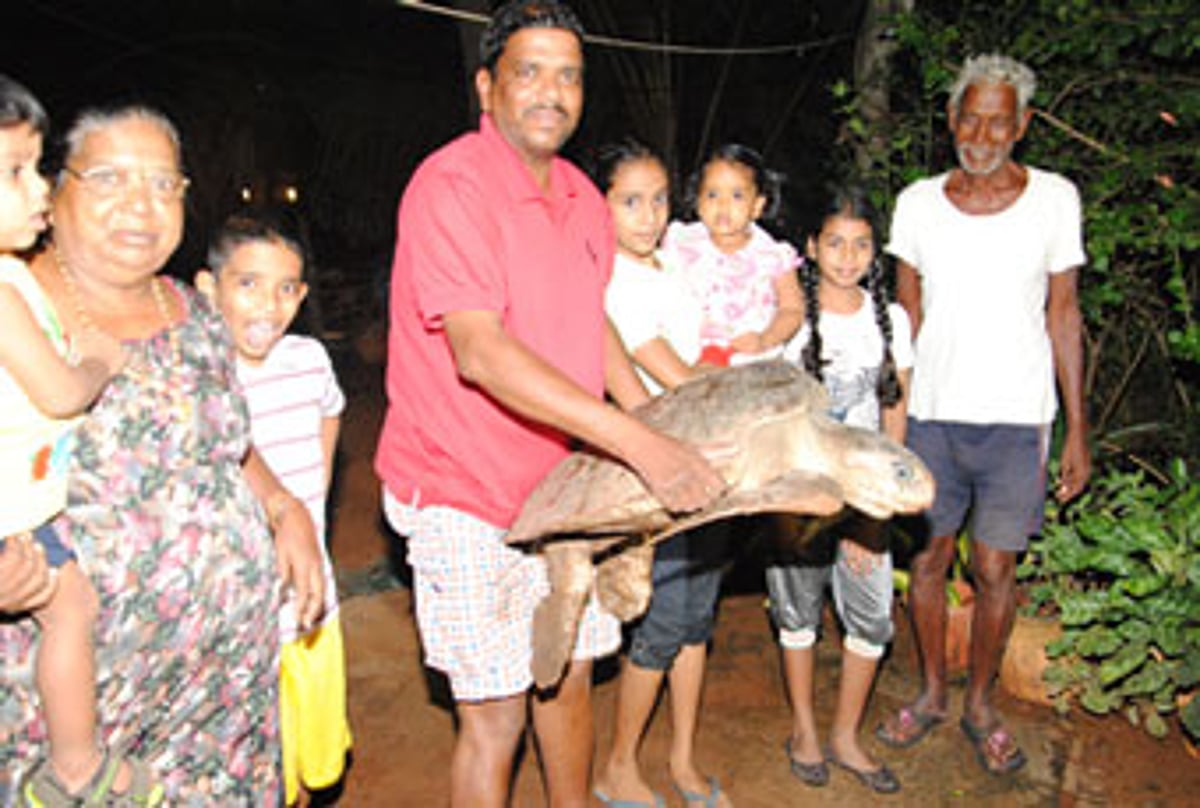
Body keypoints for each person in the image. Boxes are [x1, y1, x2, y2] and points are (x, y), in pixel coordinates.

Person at [373, 3, 725, 806]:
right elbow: (480, 352)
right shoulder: (452, 186)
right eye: (528, 71)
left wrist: (652, 425)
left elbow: (590, 320)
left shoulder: (581, 196)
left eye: (568, 75)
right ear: (486, 86)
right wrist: (637, 445)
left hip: (560, 485)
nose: (551, 91)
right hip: (461, 486)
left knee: (567, 675)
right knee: (495, 715)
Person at [0, 104, 326, 805]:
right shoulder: (15, 307)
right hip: (88, 707)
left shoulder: (193, 308)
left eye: (161, 184)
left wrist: (283, 506)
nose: (140, 205)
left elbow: (222, 441)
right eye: (110, 179)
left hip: (224, 697)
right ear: (54, 189)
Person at [874, 54, 1090, 775]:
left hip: (1018, 417)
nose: (982, 135)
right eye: (970, 118)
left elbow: (1065, 315)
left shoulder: (1055, 199)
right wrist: (890, 419)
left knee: (996, 567)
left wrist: (1077, 431)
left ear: (1022, 125)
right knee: (928, 558)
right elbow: (905, 315)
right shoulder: (917, 203)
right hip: (932, 413)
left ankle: (981, 704)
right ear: (951, 119)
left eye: (999, 122)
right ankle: (934, 693)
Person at [0, 75, 162, 807]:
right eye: (14, 172)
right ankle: (74, 769)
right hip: (14, 520)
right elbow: (61, 393)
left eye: (36, 166)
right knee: (71, 610)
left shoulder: (13, 277)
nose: (38, 188)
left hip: (28, 508)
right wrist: (99, 360)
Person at [590, 139, 731, 808]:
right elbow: (669, 371)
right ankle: (618, 766)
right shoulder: (612, 280)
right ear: (601, 206)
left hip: (705, 458)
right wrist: (739, 384)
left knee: (698, 618)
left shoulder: (673, 262)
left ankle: (681, 759)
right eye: (630, 201)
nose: (648, 215)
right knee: (666, 616)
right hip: (658, 467)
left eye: (658, 200)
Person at [197, 210, 352, 806]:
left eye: (286, 288)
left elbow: (331, 409)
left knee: (313, 757)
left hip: (312, 604)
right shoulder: (203, 373)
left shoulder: (308, 358)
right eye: (248, 284)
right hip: (243, 612)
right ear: (208, 288)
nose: (269, 305)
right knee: (261, 763)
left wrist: (317, 494)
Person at [768, 185, 912, 795]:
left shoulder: (892, 319)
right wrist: (786, 507)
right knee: (796, 612)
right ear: (811, 246)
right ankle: (804, 729)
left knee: (871, 616)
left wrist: (875, 515)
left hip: (864, 499)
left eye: (861, 245)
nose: (847, 257)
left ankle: (846, 736)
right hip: (799, 493)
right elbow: (774, 416)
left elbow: (895, 419)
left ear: (875, 252)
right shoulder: (789, 319)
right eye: (834, 243)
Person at [661, 143, 804, 368]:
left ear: (757, 205)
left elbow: (792, 309)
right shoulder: (681, 241)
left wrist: (765, 339)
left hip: (751, 358)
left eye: (737, 195)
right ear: (698, 201)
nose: (723, 204)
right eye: (712, 194)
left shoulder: (773, 254)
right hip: (686, 357)